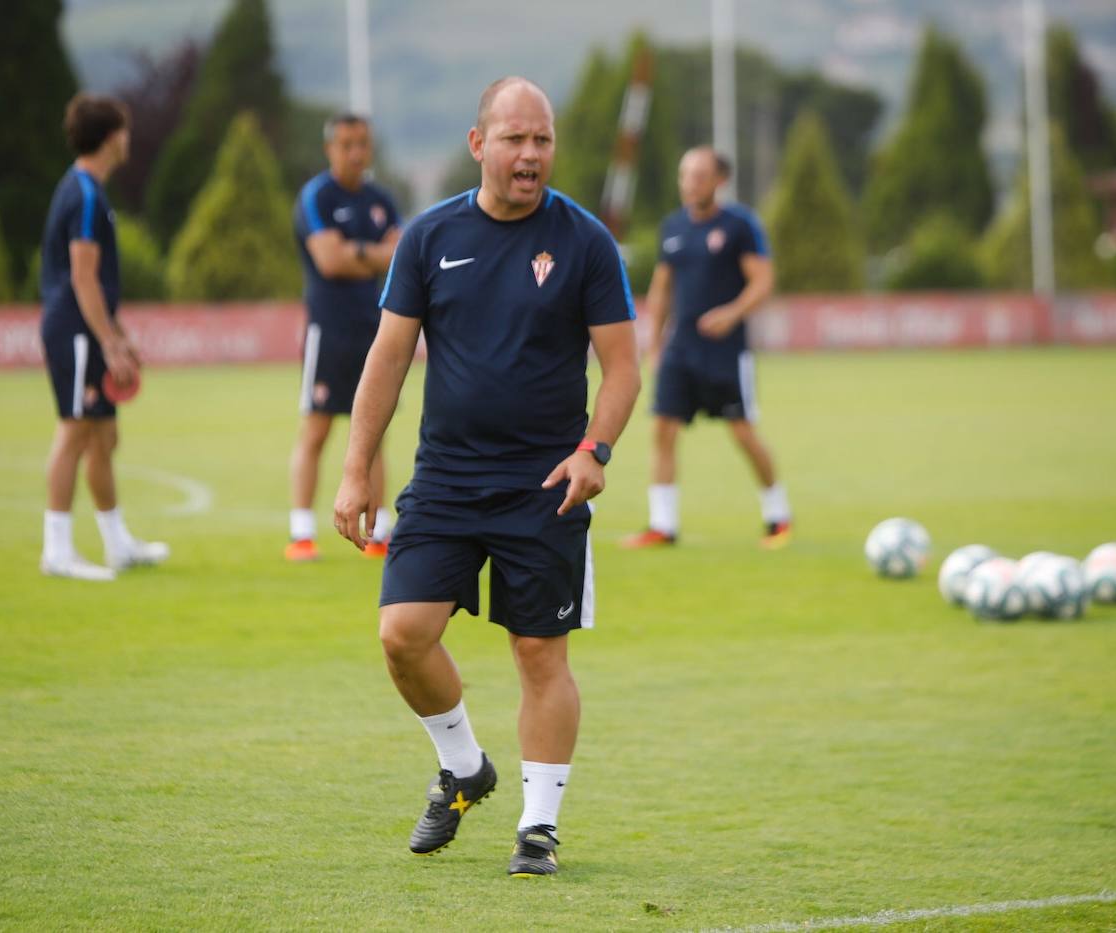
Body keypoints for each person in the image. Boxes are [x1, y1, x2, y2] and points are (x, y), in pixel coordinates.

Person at [333, 77, 639, 877]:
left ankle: (539, 828)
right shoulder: (430, 237)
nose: (530, 154)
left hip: (547, 484)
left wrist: (594, 451)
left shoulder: (585, 242)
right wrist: (355, 468)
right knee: (402, 632)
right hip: (446, 479)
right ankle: (465, 765)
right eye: (514, 139)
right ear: (479, 145)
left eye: (542, 140)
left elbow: (623, 370)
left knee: (541, 654)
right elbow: (388, 359)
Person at [622, 146, 791, 551]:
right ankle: (663, 525)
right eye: (685, 175)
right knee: (662, 429)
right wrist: (654, 343)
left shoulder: (739, 226)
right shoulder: (673, 228)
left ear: (720, 181)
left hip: (726, 353)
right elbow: (662, 289)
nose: (690, 183)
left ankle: (778, 517)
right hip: (681, 351)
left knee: (742, 432)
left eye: (700, 175)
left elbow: (763, 282)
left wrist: (731, 314)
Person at [38, 93, 168, 581]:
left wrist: (118, 335)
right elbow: (83, 277)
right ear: (113, 137)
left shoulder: (86, 188)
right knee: (74, 431)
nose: (127, 138)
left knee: (103, 436)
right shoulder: (86, 194)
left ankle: (117, 544)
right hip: (75, 330)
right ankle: (56, 549)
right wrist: (109, 342)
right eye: (124, 130)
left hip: (86, 329)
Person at [288, 113, 402, 562]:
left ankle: (378, 533)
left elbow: (398, 259)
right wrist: (370, 254)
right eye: (348, 144)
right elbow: (330, 261)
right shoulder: (316, 197)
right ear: (331, 149)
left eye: (363, 143)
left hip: (375, 331)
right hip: (328, 330)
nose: (357, 152)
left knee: (375, 432)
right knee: (317, 429)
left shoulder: (382, 200)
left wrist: (355, 252)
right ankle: (301, 533)